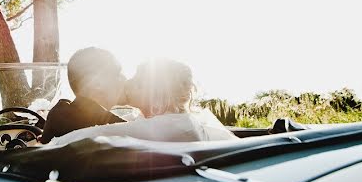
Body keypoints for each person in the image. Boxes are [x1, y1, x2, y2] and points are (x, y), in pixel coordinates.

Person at [47, 58, 237, 146]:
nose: (128, 83)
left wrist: (46, 147)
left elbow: (98, 135)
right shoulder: (167, 120)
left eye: (137, 83)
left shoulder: (171, 126)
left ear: (157, 96)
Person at [39, 47, 128, 144]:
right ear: (96, 83)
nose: (125, 79)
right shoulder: (117, 127)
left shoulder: (58, 113)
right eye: (118, 74)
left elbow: (43, 142)